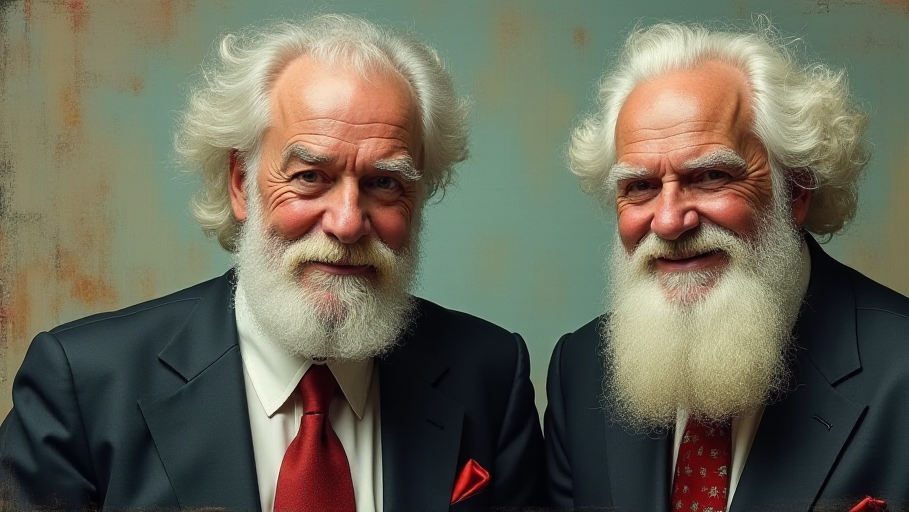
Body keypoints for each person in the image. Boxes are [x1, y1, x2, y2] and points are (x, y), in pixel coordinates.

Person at [0, 14, 543, 512]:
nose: (347, 223)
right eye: (310, 177)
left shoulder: (490, 375)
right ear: (241, 183)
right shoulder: (83, 385)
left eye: (384, 183)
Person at [544, 21, 909, 512]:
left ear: (796, 191)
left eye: (710, 176)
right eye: (640, 186)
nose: (668, 221)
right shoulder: (580, 369)